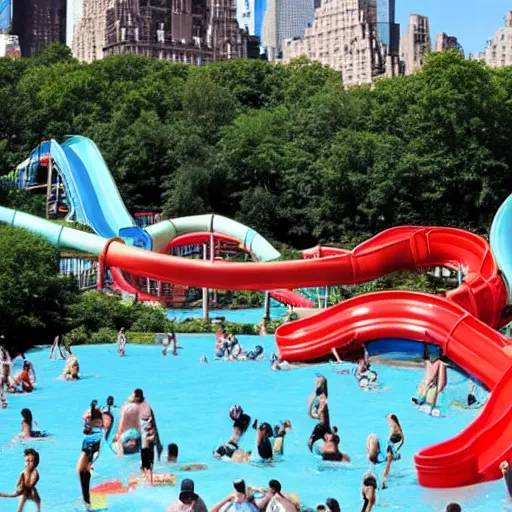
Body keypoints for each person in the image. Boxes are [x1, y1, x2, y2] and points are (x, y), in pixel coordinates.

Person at [77, 400, 104, 507]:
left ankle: (87, 500)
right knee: (83, 470)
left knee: (82, 470)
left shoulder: (93, 420)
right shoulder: (98, 419)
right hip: (93, 441)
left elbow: (86, 428)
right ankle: (87, 499)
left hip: (90, 442)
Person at [134, 388, 162, 485]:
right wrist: (158, 442)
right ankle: (148, 482)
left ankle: (147, 483)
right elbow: (154, 424)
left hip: (144, 441)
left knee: (145, 465)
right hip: (151, 438)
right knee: (149, 464)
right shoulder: (148, 407)